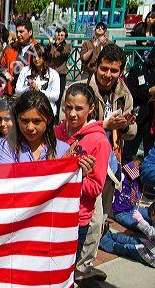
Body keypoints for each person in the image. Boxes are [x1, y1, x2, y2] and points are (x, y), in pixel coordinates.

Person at [59, 43, 137, 286]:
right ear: (96, 66)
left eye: (114, 71)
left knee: (100, 218)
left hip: (109, 164)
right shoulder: (78, 89)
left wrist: (122, 126)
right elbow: (66, 125)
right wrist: (102, 127)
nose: (108, 75)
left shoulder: (124, 93)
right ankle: (77, 269)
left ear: (121, 71)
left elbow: (132, 130)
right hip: (81, 164)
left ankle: (84, 266)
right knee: (89, 220)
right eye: (104, 68)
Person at [54, 83, 111, 288]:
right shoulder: (56, 132)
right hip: (53, 212)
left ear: (91, 109)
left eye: (79, 108)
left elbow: (96, 187)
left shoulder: (99, 141)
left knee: (66, 272)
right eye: (68, 107)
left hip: (77, 218)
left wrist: (74, 177)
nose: (72, 113)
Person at [0, 91, 70, 163]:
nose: (30, 127)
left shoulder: (63, 150)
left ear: (49, 120)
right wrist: (56, 167)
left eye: (37, 121)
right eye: (24, 121)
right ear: (17, 119)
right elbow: (11, 175)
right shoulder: (5, 146)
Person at [123, 47, 155, 163]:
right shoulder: (138, 70)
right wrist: (149, 92)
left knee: (149, 155)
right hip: (138, 116)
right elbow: (130, 92)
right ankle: (126, 179)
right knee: (128, 152)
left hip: (152, 121)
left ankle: (145, 178)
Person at [100, 202, 155, 268]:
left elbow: (152, 233)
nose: (152, 217)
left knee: (125, 247)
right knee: (130, 240)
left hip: (150, 255)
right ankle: (108, 235)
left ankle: (102, 241)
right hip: (150, 244)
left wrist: (140, 220)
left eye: (153, 215)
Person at [15, 44, 60, 115]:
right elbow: (17, 91)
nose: (36, 59)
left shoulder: (53, 74)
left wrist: (39, 90)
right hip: (26, 110)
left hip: (46, 111)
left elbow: (55, 96)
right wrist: (28, 89)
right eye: (34, 56)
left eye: (40, 56)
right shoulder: (25, 70)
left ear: (45, 57)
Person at [112, 156, 153, 231]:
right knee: (138, 226)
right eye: (134, 165)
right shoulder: (122, 175)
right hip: (120, 213)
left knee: (152, 218)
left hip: (133, 208)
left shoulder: (138, 180)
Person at [0, 19, 37, 95]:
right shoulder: (10, 48)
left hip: (30, 95)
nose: (18, 35)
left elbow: (43, 72)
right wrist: (6, 74)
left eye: (21, 32)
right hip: (11, 92)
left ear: (30, 32)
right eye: (17, 32)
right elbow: (0, 66)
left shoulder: (38, 50)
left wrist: (25, 71)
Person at [48, 27, 72, 113]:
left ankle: (57, 118)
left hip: (61, 75)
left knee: (59, 98)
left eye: (62, 35)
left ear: (65, 36)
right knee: (49, 96)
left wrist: (57, 45)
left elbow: (64, 53)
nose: (60, 36)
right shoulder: (52, 45)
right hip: (51, 74)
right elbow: (49, 55)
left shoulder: (67, 46)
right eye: (58, 34)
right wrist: (52, 44)